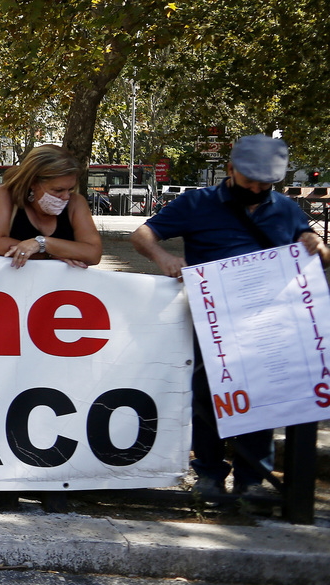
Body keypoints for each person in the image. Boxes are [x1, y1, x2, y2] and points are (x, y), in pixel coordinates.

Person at [130, 135, 330, 502]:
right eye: (249, 179)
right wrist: (165, 259)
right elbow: (142, 235)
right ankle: (209, 474)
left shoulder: (286, 209)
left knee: (265, 397)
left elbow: (314, 251)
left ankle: (253, 481)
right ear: (230, 169)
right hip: (213, 323)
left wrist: (318, 248)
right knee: (208, 398)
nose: (255, 188)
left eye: (264, 182)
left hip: (269, 323)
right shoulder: (197, 202)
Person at [0, 144, 103, 268]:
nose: (66, 197)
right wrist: (55, 254)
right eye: (58, 190)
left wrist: (42, 244)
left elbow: (93, 254)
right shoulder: (5, 194)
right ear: (33, 183)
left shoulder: (76, 203)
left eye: (70, 189)